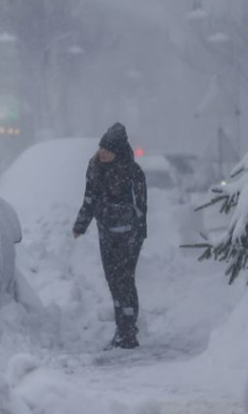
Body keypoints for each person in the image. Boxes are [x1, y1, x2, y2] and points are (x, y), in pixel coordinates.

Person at [73, 122, 147, 350]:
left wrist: (140, 231)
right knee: (113, 281)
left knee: (125, 280)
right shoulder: (95, 167)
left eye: (108, 150)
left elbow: (142, 205)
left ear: (118, 151)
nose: (103, 153)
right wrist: (80, 225)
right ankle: (122, 329)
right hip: (106, 232)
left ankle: (128, 332)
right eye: (101, 148)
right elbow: (89, 198)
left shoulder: (133, 171)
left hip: (129, 235)